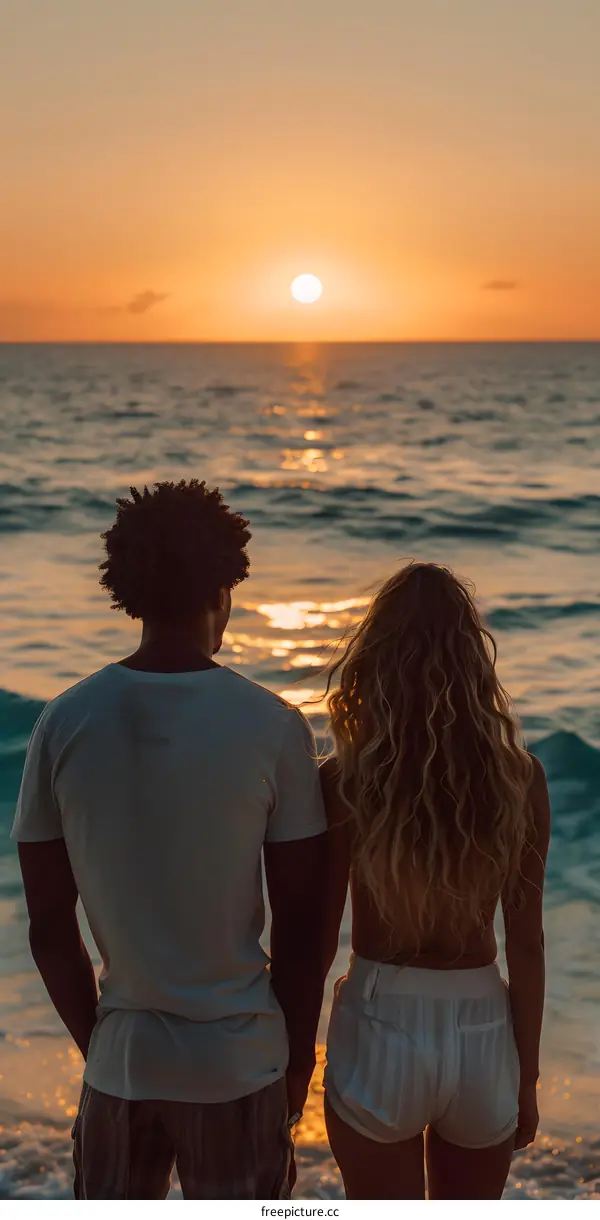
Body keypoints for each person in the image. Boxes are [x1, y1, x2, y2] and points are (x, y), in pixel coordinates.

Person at [11, 479, 328, 1200]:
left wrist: (102, 1046)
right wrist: (296, 1067)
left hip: (122, 1066)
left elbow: (49, 926)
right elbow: (304, 927)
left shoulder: (63, 723)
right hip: (240, 1067)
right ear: (223, 584)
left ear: (130, 589)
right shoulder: (274, 726)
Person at [320, 562, 550, 1200]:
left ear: (376, 658)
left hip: (381, 1012)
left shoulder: (346, 779)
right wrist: (524, 1080)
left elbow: (314, 936)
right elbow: (526, 943)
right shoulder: (519, 779)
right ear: (474, 658)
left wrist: (290, 1062)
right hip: (481, 1026)